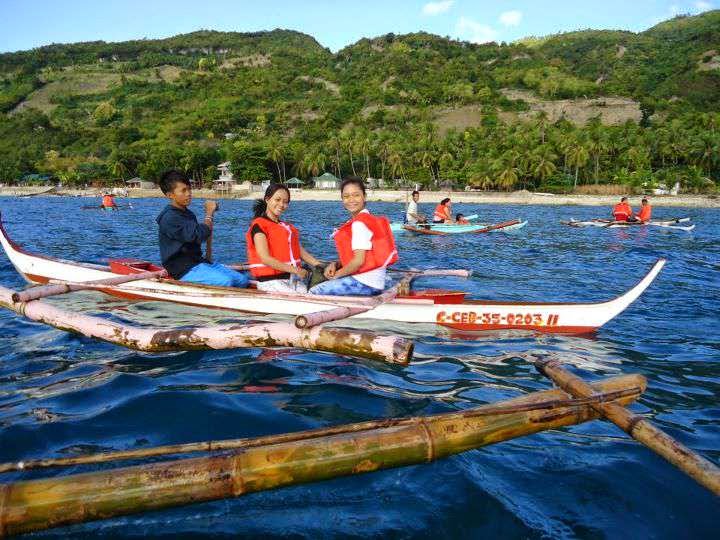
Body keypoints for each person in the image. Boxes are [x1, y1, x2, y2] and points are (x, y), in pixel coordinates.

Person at [156, 170, 248, 287]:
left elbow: (201, 234)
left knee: (242, 280)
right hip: (182, 269)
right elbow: (199, 234)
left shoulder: (188, 214)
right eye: (183, 190)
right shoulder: (169, 217)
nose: (189, 193)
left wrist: (208, 216)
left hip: (198, 263)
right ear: (170, 195)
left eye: (189, 189)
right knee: (226, 281)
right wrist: (209, 213)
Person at [309, 177, 398, 296]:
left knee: (314, 291)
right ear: (342, 199)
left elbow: (358, 262)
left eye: (356, 195)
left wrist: (336, 275)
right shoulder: (368, 219)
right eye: (346, 196)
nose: (351, 200)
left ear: (364, 196)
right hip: (376, 282)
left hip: (365, 285)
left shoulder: (359, 224)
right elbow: (363, 256)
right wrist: (336, 264)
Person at [245, 184, 325, 293]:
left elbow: (299, 251)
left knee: (313, 294)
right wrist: (295, 270)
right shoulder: (258, 225)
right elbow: (265, 258)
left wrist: (319, 265)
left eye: (285, 202)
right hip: (270, 282)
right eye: (277, 200)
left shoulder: (286, 227)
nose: (281, 205)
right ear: (267, 199)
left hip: (292, 279)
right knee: (302, 300)